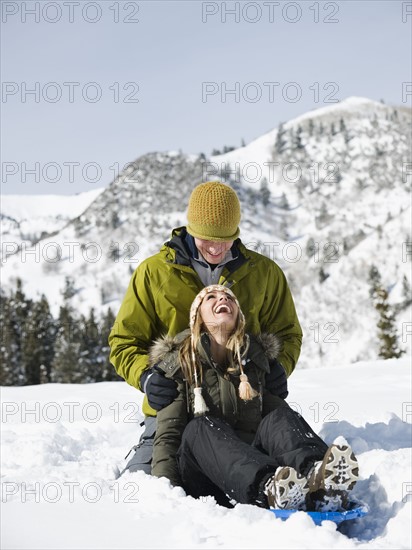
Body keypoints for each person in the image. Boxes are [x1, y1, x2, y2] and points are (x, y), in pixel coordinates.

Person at [109, 181, 303, 474]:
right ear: (189, 229)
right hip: (176, 408)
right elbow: (124, 342)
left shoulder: (264, 273)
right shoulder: (153, 273)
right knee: (143, 485)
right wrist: (146, 378)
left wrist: (280, 366)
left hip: (247, 408)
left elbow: (287, 333)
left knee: (285, 445)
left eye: (224, 239)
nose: (215, 247)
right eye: (206, 238)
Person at [151, 285, 359, 511]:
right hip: (203, 478)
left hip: (250, 468)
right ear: (198, 317)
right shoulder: (178, 364)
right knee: (199, 427)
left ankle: (318, 478)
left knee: (279, 415)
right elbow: (168, 437)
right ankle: (269, 488)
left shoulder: (254, 362)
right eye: (211, 297)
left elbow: (281, 425)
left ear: (238, 316)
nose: (222, 298)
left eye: (229, 297)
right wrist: (167, 496)